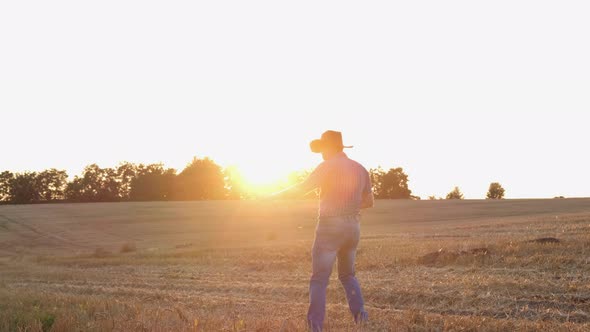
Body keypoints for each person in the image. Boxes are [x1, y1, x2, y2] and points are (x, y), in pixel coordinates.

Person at [270, 130, 373, 331]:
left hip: (329, 225)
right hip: (353, 226)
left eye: (322, 149)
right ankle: (361, 320)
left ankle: (315, 326)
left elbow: (302, 188)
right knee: (348, 275)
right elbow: (369, 202)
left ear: (330, 147)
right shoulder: (360, 169)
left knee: (319, 278)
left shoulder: (327, 167)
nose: (320, 154)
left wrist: (273, 195)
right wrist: (349, 207)